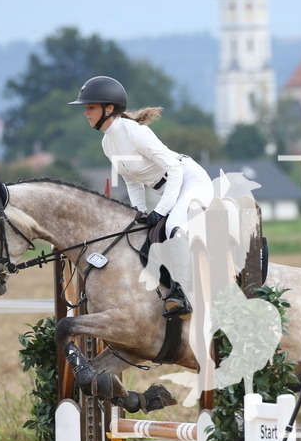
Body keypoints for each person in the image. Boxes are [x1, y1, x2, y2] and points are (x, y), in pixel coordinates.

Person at [69, 75, 214, 319]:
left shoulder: (135, 132)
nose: (86, 112)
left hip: (191, 181)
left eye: (90, 107)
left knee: (173, 226)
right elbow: (131, 179)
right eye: (86, 108)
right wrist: (139, 212)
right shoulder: (108, 143)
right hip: (168, 188)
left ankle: (182, 294)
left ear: (109, 108)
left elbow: (174, 169)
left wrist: (162, 209)